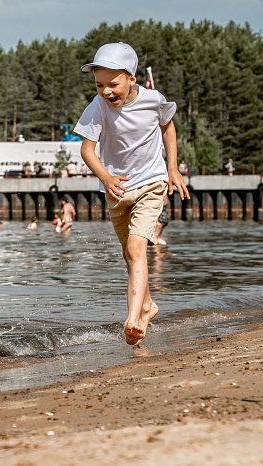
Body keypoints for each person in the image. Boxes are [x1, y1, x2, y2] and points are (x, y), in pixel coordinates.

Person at [73, 42, 188, 348]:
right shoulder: (97, 107)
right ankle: (147, 306)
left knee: (137, 249)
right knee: (129, 254)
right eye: (99, 85)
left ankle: (134, 319)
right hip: (117, 189)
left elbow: (168, 127)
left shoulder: (153, 100)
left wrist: (172, 168)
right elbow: (87, 150)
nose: (106, 91)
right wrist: (106, 177)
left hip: (151, 182)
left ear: (131, 79)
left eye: (113, 84)